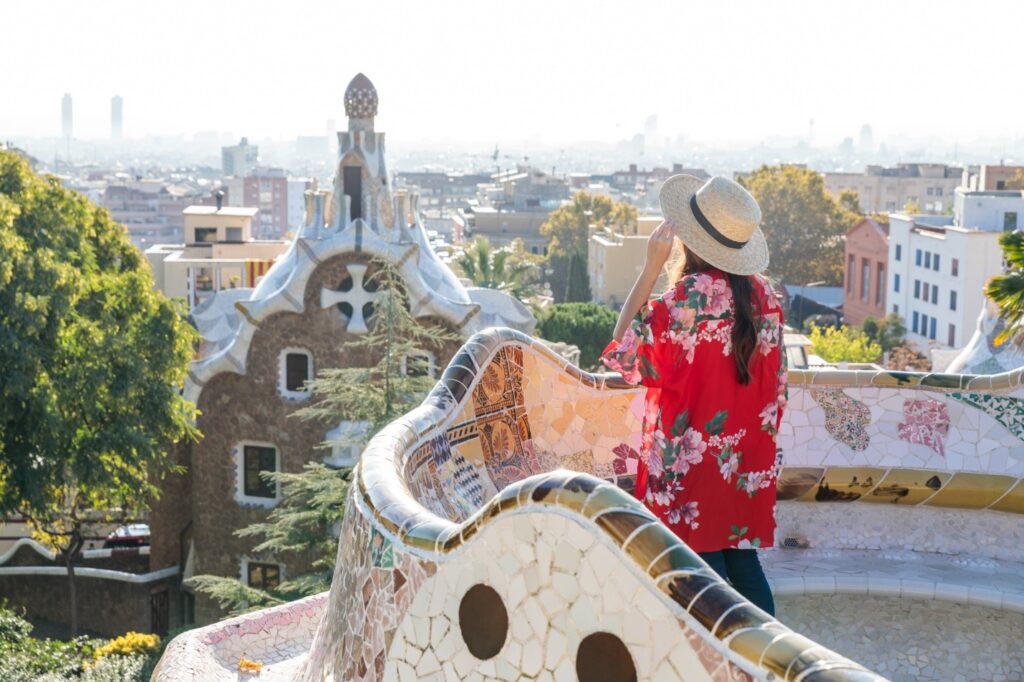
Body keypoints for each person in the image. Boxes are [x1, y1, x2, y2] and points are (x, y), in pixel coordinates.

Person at [600, 174, 787, 615]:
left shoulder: (686, 299)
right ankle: (769, 654)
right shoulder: (766, 296)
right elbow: (776, 384)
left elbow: (624, 350)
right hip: (746, 457)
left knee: (700, 572)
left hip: (693, 460)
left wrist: (650, 268)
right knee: (742, 562)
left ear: (691, 240)